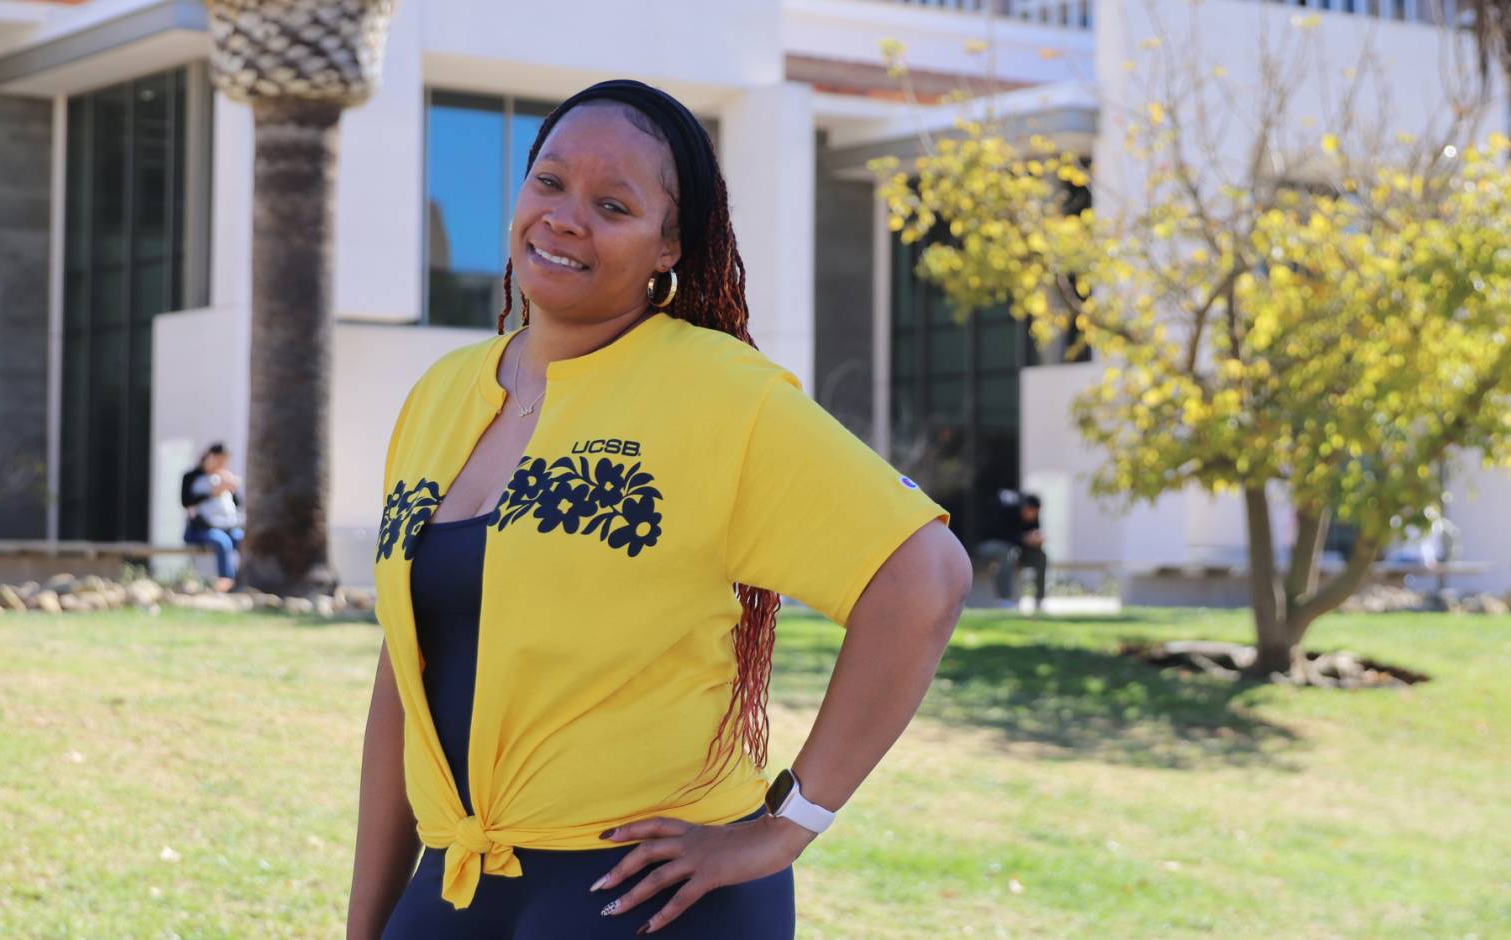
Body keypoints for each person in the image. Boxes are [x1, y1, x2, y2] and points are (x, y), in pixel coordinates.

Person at [346, 79, 972, 940]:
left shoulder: (720, 395)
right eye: (551, 183)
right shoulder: (441, 395)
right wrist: (369, 921)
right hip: (457, 882)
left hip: (646, 896)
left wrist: (785, 827)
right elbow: (405, 676)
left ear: (667, 244)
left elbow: (924, 577)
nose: (567, 218)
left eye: (614, 204)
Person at [180, 442, 244, 593]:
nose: (222, 464)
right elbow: (186, 502)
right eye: (219, 460)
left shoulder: (224, 476)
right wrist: (213, 493)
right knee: (223, 542)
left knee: (243, 540)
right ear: (210, 457)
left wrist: (231, 487)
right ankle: (226, 583)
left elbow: (237, 504)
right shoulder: (193, 477)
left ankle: (242, 581)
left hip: (227, 526)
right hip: (201, 528)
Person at [977, 490, 1047, 610]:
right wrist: (1023, 538)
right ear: (1025, 508)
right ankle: (1004, 599)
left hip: (1017, 549)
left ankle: (1039, 600)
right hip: (991, 545)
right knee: (1007, 553)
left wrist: (1037, 542)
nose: (1034, 515)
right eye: (1031, 511)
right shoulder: (1008, 511)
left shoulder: (1033, 518)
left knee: (1041, 556)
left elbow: (1030, 538)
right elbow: (1001, 535)